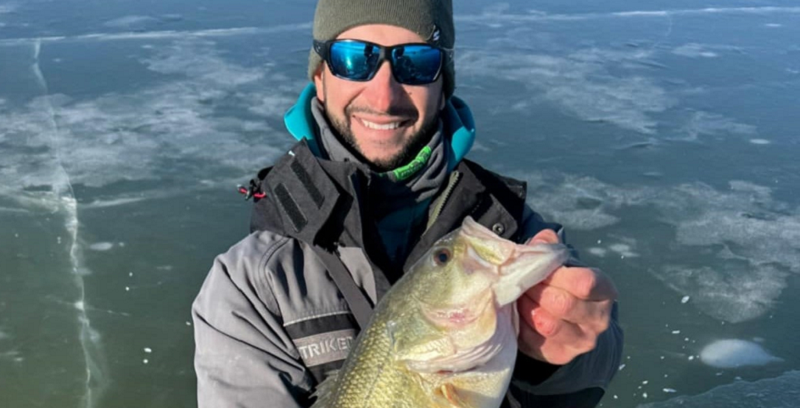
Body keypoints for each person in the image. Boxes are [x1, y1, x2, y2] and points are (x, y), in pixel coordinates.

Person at [192, 1, 623, 407]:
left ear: (443, 84)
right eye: (353, 59)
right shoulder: (250, 284)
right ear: (319, 77)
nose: (383, 97)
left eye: (415, 62)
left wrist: (554, 355)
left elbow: (589, 378)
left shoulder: (509, 230)